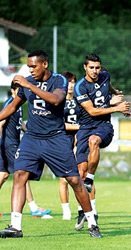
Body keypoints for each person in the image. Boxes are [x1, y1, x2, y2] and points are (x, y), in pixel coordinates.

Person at [0, 50, 101, 238]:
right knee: (19, 175)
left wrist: (28, 85)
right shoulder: (28, 82)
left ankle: (92, 222)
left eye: (34, 66)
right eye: (29, 67)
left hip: (55, 138)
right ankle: (15, 227)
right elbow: (12, 106)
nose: (30, 70)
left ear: (45, 64)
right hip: (32, 138)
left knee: (74, 181)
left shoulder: (59, 81)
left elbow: (56, 99)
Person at [73, 53, 130, 230]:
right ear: (85, 67)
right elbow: (91, 111)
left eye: (98, 67)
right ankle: (84, 210)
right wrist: (117, 107)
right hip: (84, 128)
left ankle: (91, 178)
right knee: (79, 175)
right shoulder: (80, 87)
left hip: (103, 127)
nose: (95, 71)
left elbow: (108, 86)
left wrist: (116, 93)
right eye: (92, 67)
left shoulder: (105, 76)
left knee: (94, 141)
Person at [0, 82, 52, 218]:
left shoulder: (18, 105)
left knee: (3, 175)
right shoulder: (9, 104)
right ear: (13, 90)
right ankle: (34, 208)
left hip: (11, 144)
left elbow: (21, 124)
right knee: (22, 174)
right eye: (20, 90)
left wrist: (30, 131)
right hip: (10, 145)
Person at [58, 72, 81, 220]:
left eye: (73, 82)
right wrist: (79, 127)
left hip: (78, 140)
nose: (71, 85)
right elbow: (60, 124)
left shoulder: (79, 100)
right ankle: (66, 210)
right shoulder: (59, 102)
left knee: (80, 176)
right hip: (62, 139)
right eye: (69, 82)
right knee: (63, 178)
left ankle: (82, 208)